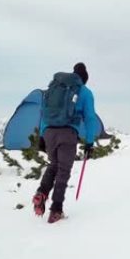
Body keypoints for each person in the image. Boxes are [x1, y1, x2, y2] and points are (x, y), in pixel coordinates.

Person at [32, 62, 97, 224]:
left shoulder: (55, 86)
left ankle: (41, 193)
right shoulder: (85, 92)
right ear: (84, 79)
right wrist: (89, 143)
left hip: (49, 132)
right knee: (63, 171)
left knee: (53, 164)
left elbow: (44, 112)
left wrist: (41, 135)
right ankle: (56, 210)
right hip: (67, 134)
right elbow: (90, 119)